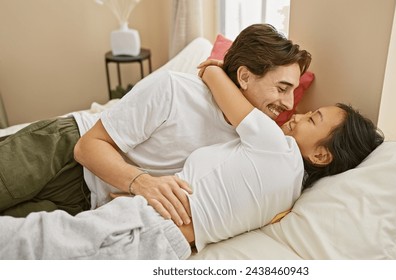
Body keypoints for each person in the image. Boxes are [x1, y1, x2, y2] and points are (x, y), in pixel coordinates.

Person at [0, 59, 384, 260]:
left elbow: (214, 76)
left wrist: (215, 68)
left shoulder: (275, 147)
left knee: (25, 244)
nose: (294, 110)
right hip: (167, 243)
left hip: (140, 227)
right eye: (284, 90)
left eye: (311, 117)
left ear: (321, 153)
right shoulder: (289, 195)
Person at [0, 23, 311, 224]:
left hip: (87, 202)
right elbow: (88, 147)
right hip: (61, 151)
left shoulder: (253, 142)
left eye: (294, 91)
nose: (287, 104)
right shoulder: (174, 89)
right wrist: (143, 183)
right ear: (244, 76)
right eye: (282, 88)